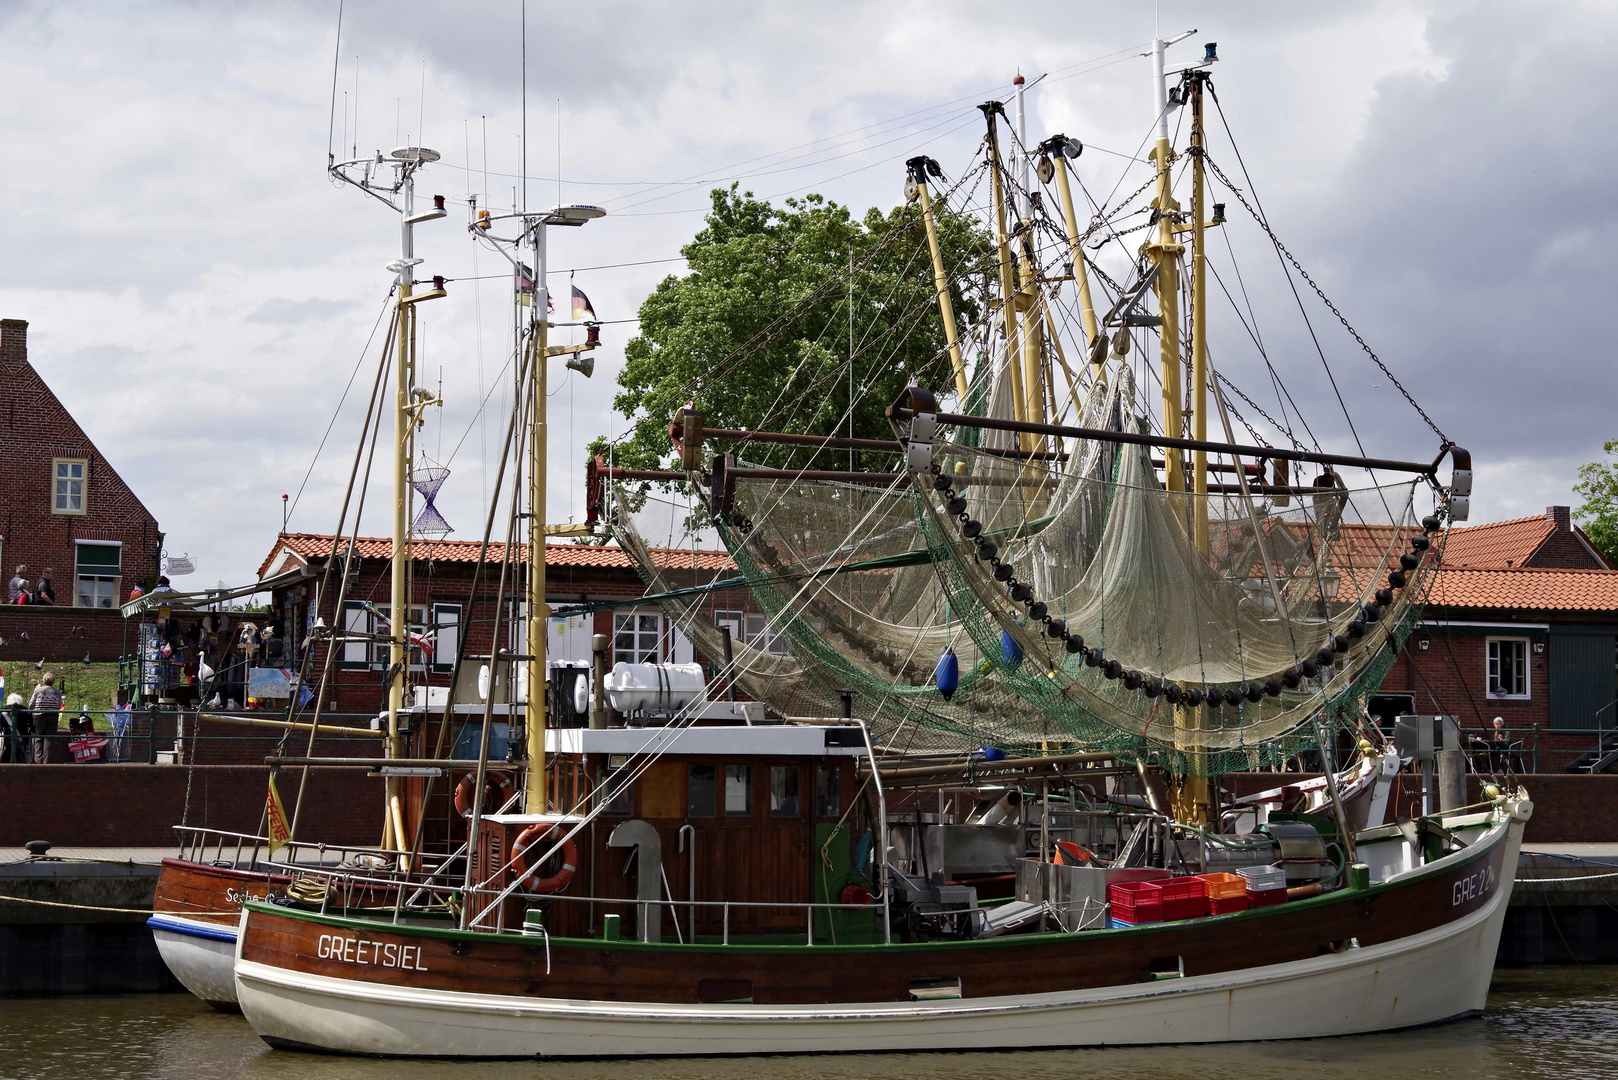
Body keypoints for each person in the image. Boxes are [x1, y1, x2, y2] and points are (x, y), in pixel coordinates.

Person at [28, 673, 64, 763]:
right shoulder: (57, 692)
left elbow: (31, 704)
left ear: (44, 681)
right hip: (53, 717)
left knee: (38, 738)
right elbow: (60, 704)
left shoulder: (38, 690)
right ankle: (46, 762)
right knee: (49, 739)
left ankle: (38, 761)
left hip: (39, 717)